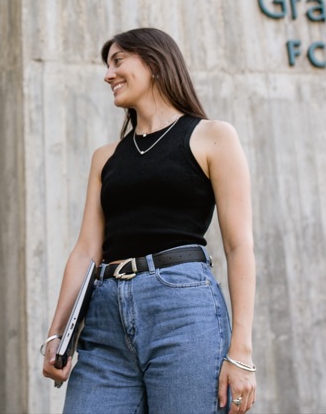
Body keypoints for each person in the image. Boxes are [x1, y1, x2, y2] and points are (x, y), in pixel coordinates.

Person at [42, 28, 257, 414]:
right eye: (107, 65)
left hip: (183, 309)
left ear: (155, 63)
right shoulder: (105, 157)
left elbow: (239, 246)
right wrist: (57, 334)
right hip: (105, 317)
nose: (108, 75)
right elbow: (86, 250)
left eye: (118, 61)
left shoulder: (212, 137)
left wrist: (240, 351)